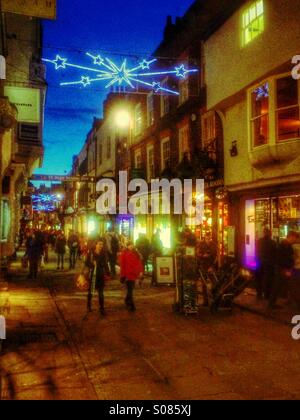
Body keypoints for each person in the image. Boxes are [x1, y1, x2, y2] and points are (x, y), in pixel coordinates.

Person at [268, 231, 299, 310]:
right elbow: (284, 259)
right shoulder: (286, 245)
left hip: (282, 269)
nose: (296, 240)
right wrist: (288, 268)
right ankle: (298, 304)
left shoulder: (283, 244)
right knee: (292, 287)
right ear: (291, 237)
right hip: (284, 269)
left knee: (280, 287)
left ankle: (271, 304)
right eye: (295, 238)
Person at [87, 240, 110, 315]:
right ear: (96, 245)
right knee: (90, 292)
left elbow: (106, 264)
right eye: (99, 244)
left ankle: (102, 308)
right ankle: (89, 305)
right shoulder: (91, 253)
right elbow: (86, 263)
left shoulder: (103, 253)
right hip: (92, 274)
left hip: (100, 274)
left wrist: (108, 272)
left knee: (101, 292)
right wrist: (92, 264)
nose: (101, 246)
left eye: (102, 244)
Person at [120, 242, 144, 312]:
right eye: (129, 245)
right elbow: (122, 265)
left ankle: (127, 300)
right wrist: (123, 275)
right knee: (130, 290)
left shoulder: (136, 253)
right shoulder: (124, 253)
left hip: (134, 274)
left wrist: (141, 272)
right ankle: (132, 305)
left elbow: (139, 263)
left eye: (132, 245)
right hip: (127, 274)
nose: (131, 247)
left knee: (130, 289)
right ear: (127, 246)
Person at [256, 228, 277, 300]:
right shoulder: (273, 242)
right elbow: (275, 253)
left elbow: (257, 251)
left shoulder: (259, 241)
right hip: (269, 263)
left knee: (259, 279)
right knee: (268, 279)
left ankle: (259, 294)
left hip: (259, 262)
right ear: (270, 234)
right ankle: (267, 295)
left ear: (264, 233)